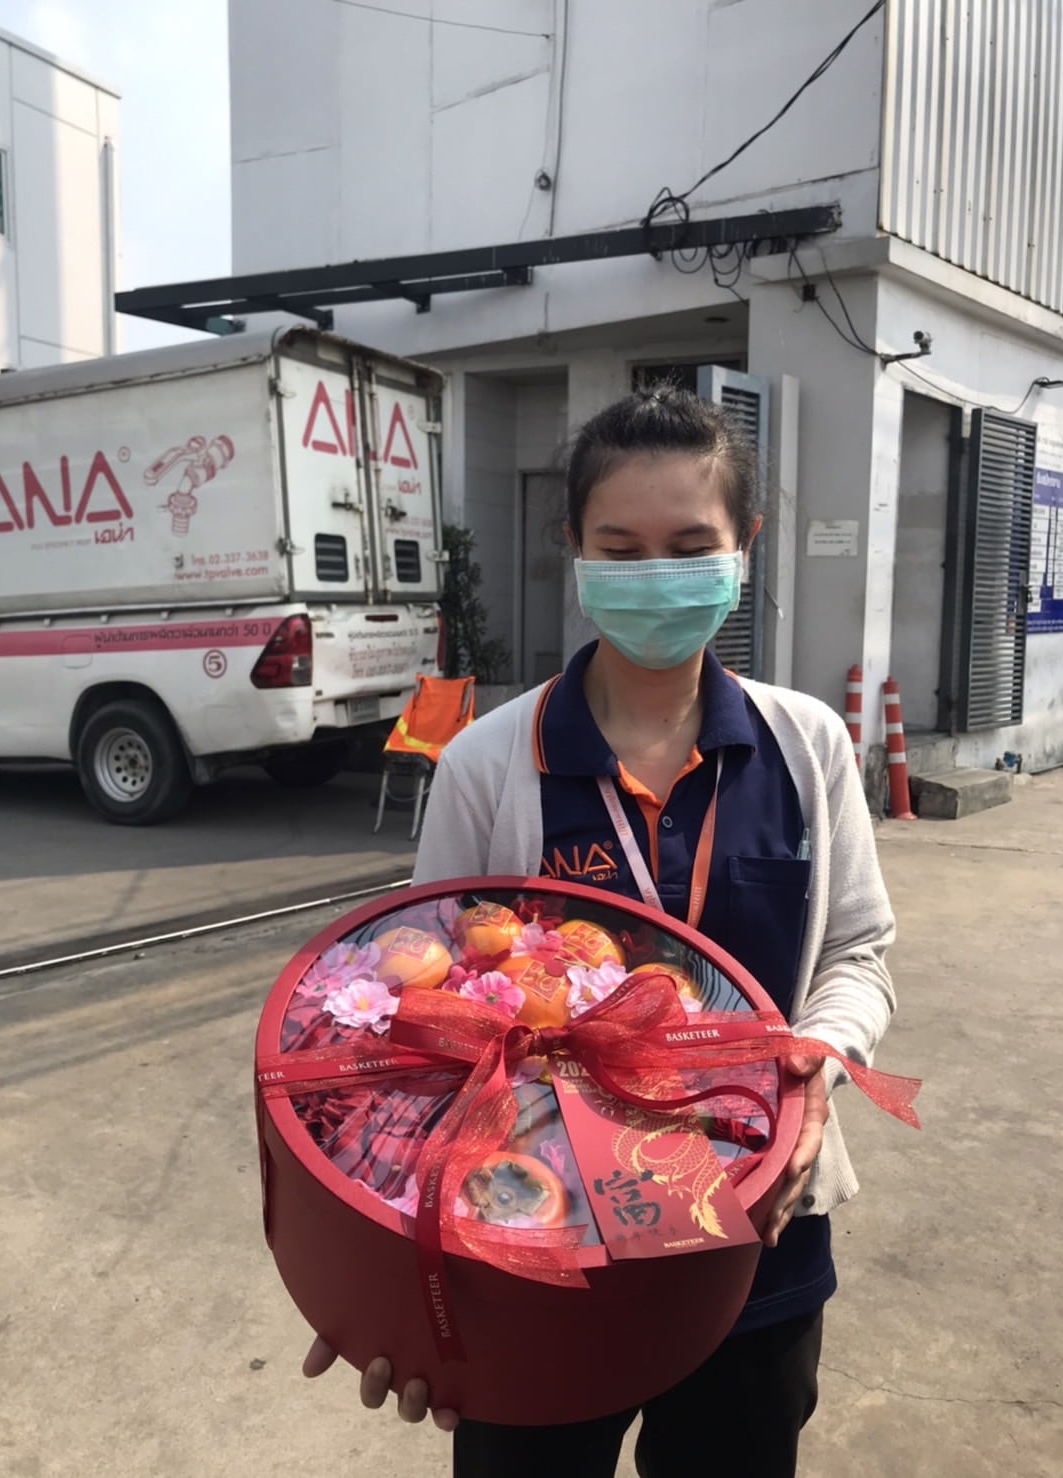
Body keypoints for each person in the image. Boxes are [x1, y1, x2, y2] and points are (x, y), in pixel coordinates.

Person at [304, 386, 896, 1477]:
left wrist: (819, 1064)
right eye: (619, 546)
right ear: (572, 547)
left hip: (751, 1229)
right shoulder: (489, 760)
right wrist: (384, 1264)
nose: (654, 572)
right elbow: (420, 1024)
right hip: (536, 1237)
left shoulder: (805, 744)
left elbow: (857, 951)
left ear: (744, 547)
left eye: (689, 544)